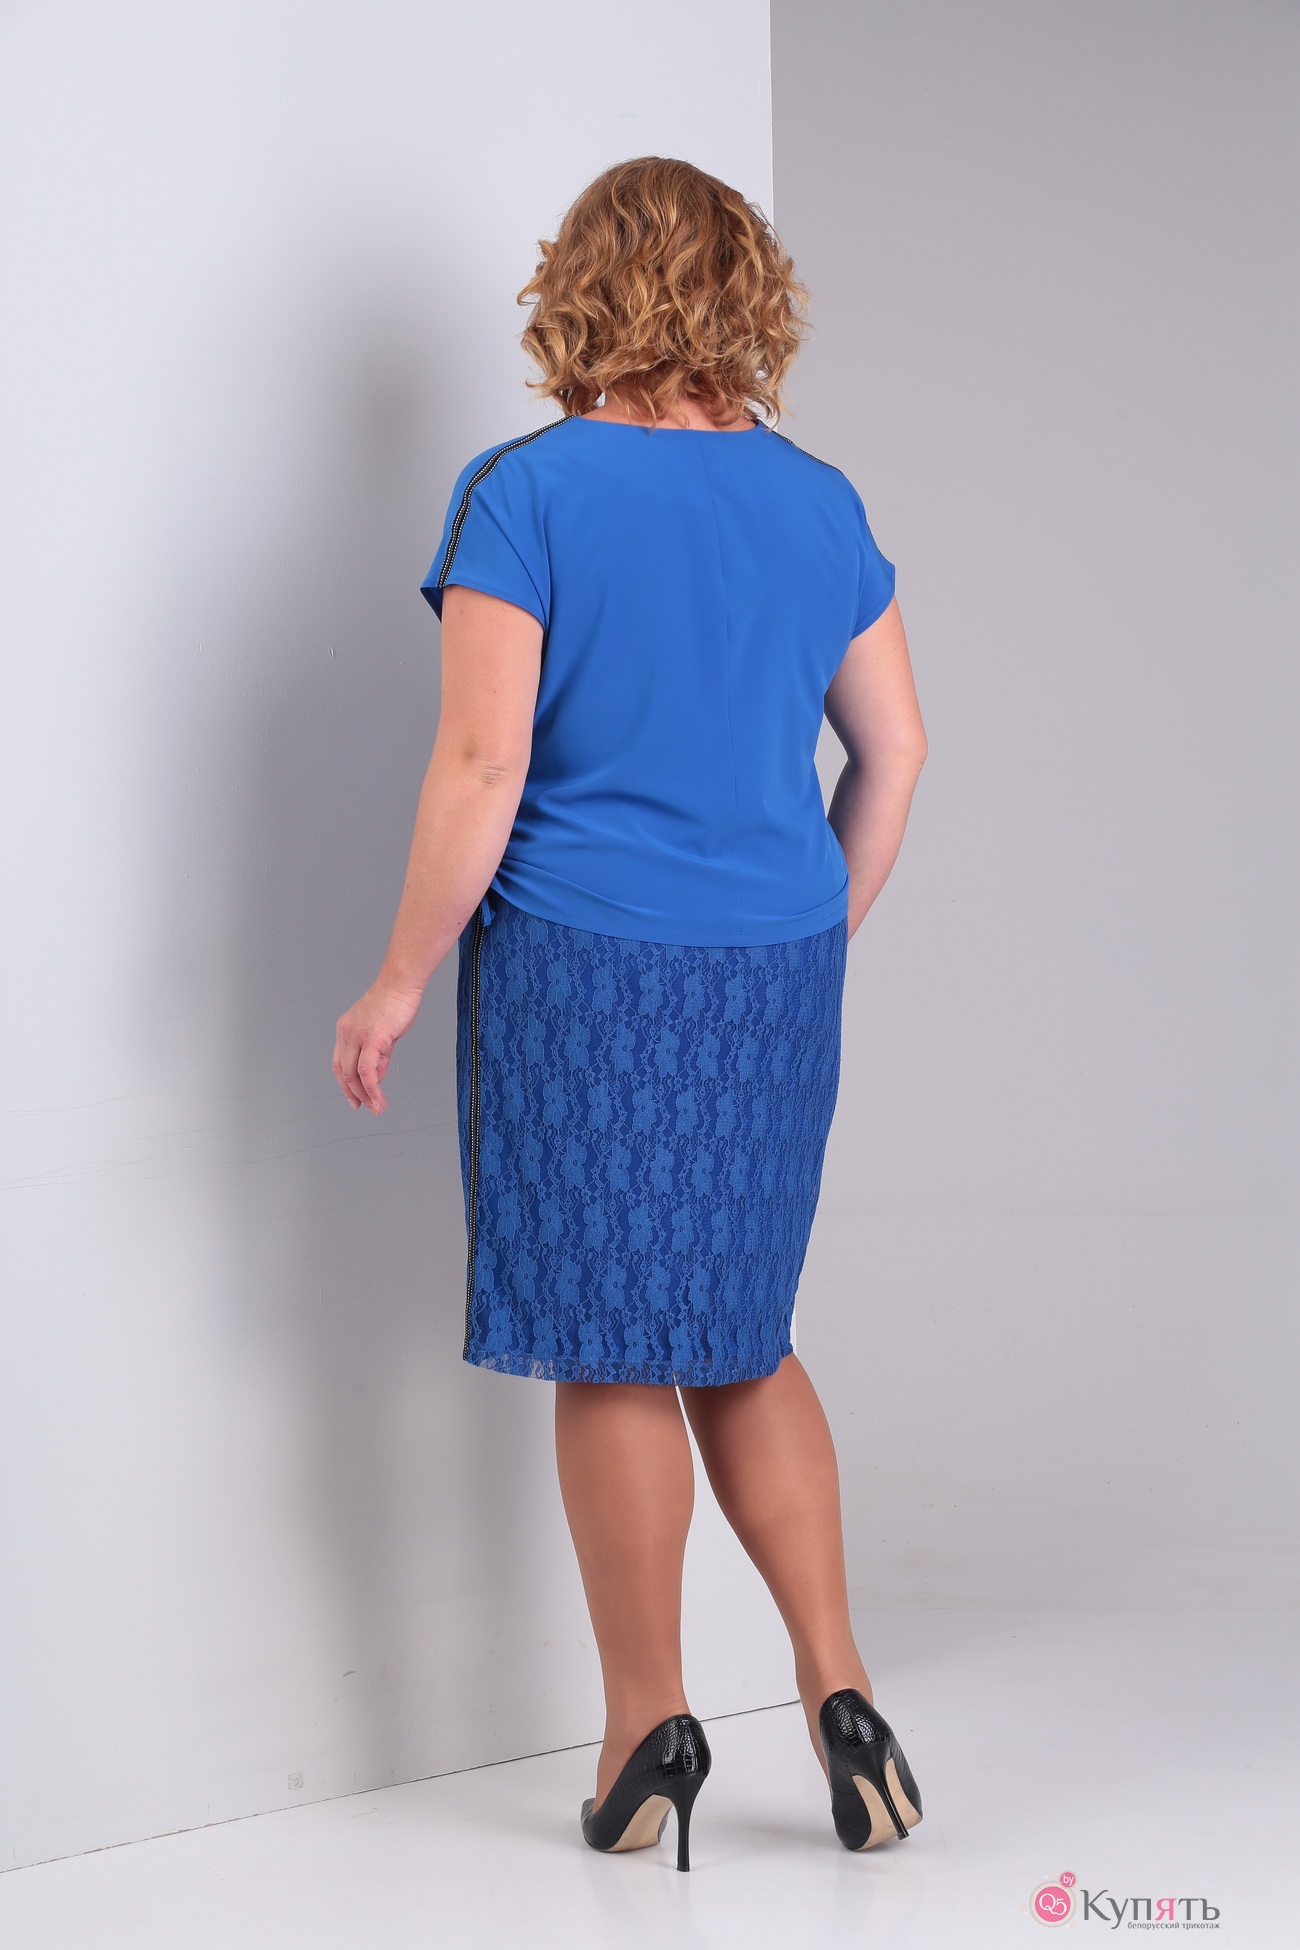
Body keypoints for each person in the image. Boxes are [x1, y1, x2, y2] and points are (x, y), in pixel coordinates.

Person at [332, 156, 928, 1870]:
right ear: (750, 293)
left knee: (610, 1344)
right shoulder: (820, 501)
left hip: (584, 968)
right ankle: (840, 1687)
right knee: (741, 1332)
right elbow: (894, 752)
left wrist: (398, 977)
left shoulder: (524, 492)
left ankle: (647, 1723)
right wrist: (807, 926)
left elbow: (482, 765)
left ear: (579, 288)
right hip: (772, 976)